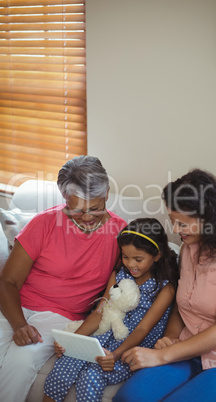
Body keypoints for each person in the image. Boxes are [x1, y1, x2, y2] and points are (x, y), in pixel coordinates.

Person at [114, 169, 216, 402]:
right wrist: (172, 338)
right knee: (129, 397)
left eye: (182, 223)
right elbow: (180, 305)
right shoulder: (188, 249)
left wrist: (162, 356)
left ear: (209, 218)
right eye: (172, 221)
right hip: (188, 350)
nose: (175, 230)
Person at [0, 155, 127, 402]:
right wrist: (18, 324)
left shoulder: (120, 234)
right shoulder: (44, 223)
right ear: (64, 200)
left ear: (107, 194)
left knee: (22, 359)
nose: (88, 218)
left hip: (61, 316)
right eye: (76, 210)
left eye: (96, 208)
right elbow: (7, 282)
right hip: (16, 305)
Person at [42, 217, 178, 402]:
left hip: (130, 347)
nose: (131, 264)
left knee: (91, 376)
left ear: (157, 255)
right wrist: (73, 342)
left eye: (138, 259)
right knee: (63, 366)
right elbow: (101, 312)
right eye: (126, 257)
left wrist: (115, 355)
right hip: (103, 337)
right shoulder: (119, 274)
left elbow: (143, 329)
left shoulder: (165, 288)